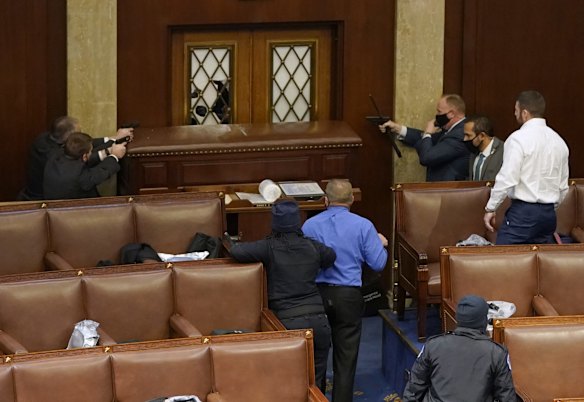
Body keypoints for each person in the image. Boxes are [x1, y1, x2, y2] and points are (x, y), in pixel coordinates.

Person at [227, 199, 336, 393]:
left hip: (286, 322)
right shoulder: (312, 247)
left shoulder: (268, 247)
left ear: (275, 223)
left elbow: (237, 251)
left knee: (288, 383)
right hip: (319, 321)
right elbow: (330, 256)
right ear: (297, 222)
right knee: (317, 384)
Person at [302, 179, 388, 402]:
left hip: (316, 296)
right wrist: (381, 243)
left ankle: (316, 398)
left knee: (316, 356)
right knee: (346, 358)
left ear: (325, 200)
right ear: (351, 199)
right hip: (348, 297)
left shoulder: (309, 226)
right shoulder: (363, 226)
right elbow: (378, 264)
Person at [484, 90, 569, 244]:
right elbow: (563, 187)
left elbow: (507, 178)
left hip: (523, 213)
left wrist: (491, 208)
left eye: (516, 111)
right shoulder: (559, 142)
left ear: (524, 113)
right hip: (549, 215)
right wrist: (548, 207)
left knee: (503, 260)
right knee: (540, 264)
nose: (515, 114)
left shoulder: (517, 139)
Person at [402, 295, 516, 401]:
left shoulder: (433, 345)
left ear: (458, 319)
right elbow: (507, 397)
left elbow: (413, 390)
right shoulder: (497, 353)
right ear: (483, 320)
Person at [18, 115, 134, 200]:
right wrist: (114, 155)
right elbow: (101, 171)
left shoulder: (53, 149)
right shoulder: (75, 173)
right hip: (46, 202)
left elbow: (82, 146)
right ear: (68, 139)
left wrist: (113, 139)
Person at [379, 94, 470, 181]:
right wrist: (398, 129)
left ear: (451, 114)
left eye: (439, 111)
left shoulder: (460, 134)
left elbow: (427, 158)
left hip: (447, 192)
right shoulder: (450, 129)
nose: (437, 115)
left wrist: (428, 133)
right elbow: (424, 139)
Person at [43, 132, 127, 199]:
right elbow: (102, 171)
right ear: (84, 156)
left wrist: (110, 146)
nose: (92, 152)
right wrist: (114, 155)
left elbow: (85, 156)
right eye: (91, 151)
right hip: (75, 213)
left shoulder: (55, 155)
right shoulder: (79, 176)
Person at [463, 115, 504, 181]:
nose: (465, 139)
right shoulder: (473, 151)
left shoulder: (503, 152)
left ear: (482, 136)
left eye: (468, 135)